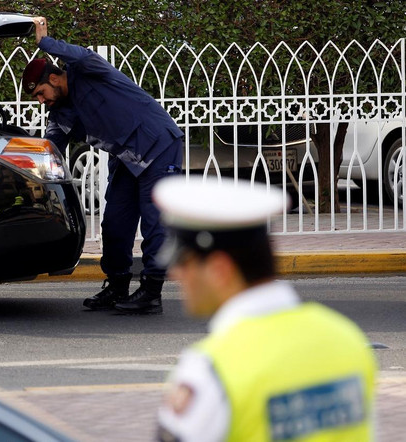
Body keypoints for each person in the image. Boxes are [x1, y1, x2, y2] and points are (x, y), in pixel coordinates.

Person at [153, 176, 377, 441]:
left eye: (184, 263)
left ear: (219, 270)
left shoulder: (210, 370)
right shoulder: (347, 338)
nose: (175, 274)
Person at [22, 16, 184, 314]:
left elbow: (80, 54)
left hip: (158, 145)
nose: (41, 101)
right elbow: (50, 147)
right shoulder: (61, 112)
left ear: (54, 79)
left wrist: (45, 43)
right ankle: (118, 284)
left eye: (40, 93)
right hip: (127, 158)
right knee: (114, 224)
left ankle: (151, 291)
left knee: (154, 222)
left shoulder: (88, 70)